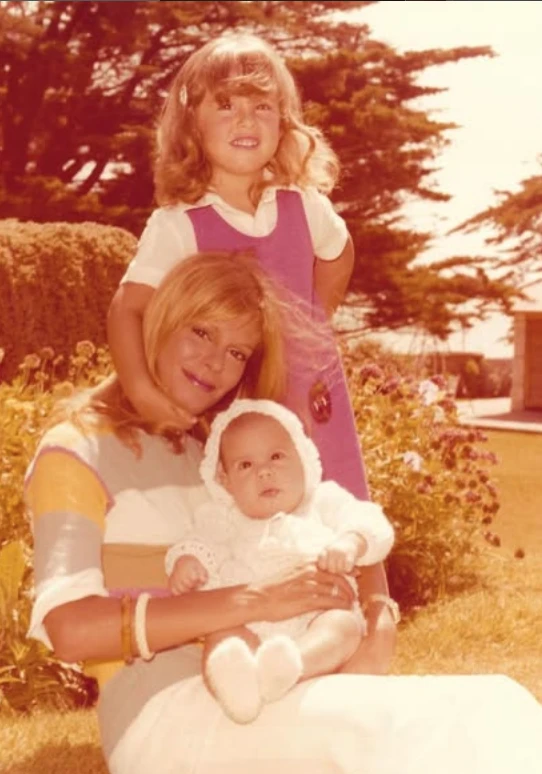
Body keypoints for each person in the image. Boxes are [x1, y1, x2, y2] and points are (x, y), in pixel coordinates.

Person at [25, 251, 542, 774]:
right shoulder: (76, 451)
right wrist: (254, 601)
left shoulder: (222, 449)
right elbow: (70, 628)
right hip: (165, 718)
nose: (214, 363)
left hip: (277, 679)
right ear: (162, 318)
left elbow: (336, 518)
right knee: (438, 729)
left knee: (493, 704)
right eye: (201, 332)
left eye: (235, 351)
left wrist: (377, 618)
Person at [107, 31, 367, 501]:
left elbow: (339, 251)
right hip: (239, 407)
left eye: (262, 107)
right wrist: (144, 392)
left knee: (343, 514)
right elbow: (127, 309)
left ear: (284, 123)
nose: (246, 118)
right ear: (192, 125)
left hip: (312, 397)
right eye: (225, 105)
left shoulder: (303, 204)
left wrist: (314, 322)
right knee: (254, 526)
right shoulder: (180, 224)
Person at [165, 399, 395, 723]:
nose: (264, 471)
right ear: (225, 480)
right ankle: (237, 688)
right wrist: (187, 560)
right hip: (248, 621)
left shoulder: (323, 501)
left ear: (303, 459)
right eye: (245, 465)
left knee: (343, 627)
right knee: (222, 638)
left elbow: (370, 521)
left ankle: (289, 666)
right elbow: (199, 541)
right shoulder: (224, 518)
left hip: (318, 613)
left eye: (276, 456)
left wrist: (350, 542)